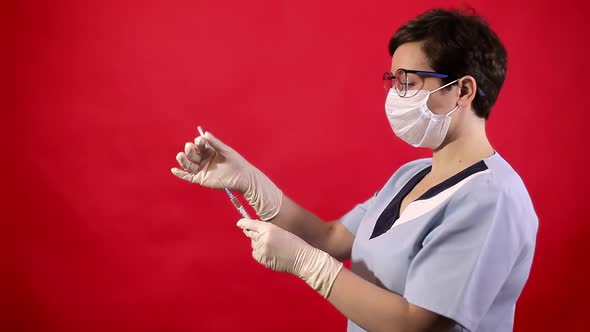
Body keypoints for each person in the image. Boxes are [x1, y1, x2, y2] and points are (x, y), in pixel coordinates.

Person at [171, 7, 538, 332]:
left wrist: (308, 265)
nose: (395, 95)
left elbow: (416, 324)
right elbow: (330, 238)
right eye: (392, 82)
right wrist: (250, 182)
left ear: (463, 91)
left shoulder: (491, 198)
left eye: (408, 82)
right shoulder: (411, 175)